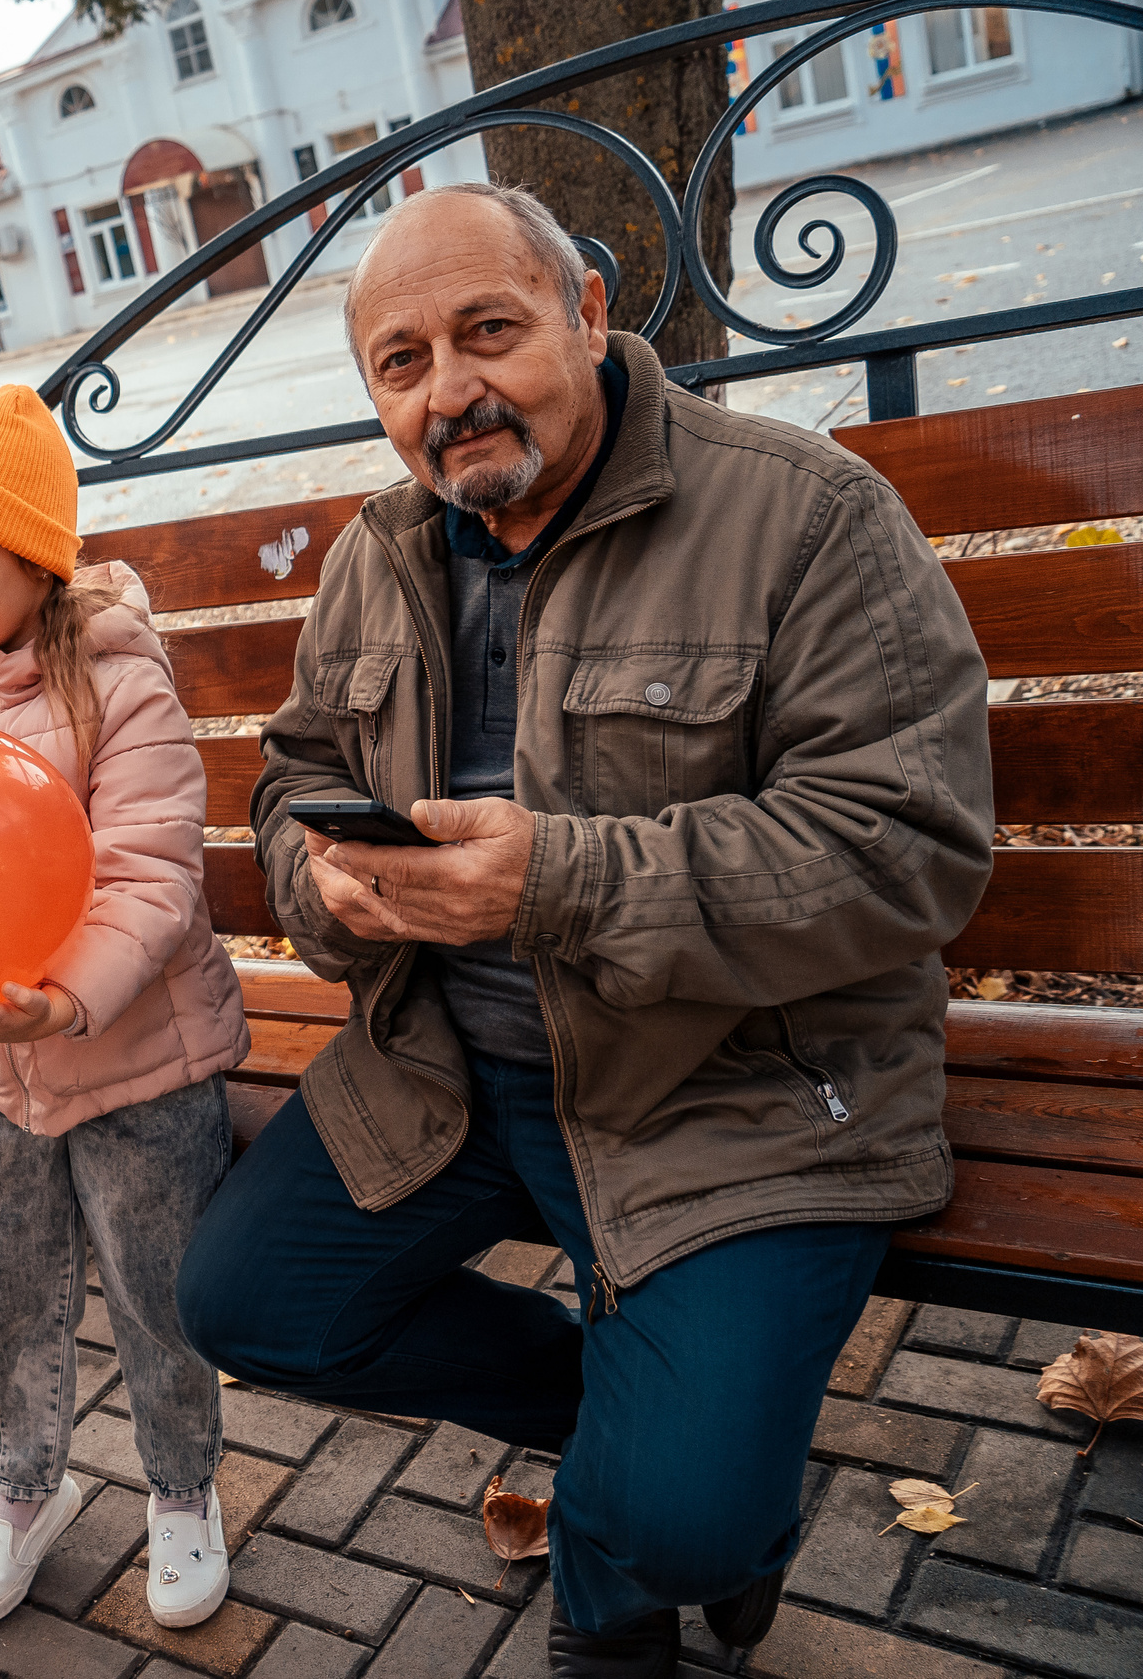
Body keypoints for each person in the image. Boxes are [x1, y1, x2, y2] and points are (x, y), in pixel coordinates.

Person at [174, 184, 992, 1679]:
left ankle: (635, 1564)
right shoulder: (380, 554)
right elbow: (296, 776)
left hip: (733, 1088)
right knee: (245, 1304)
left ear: (589, 315)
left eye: (488, 330)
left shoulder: (803, 512)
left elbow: (905, 846)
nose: (450, 391)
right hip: (447, 1067)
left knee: (682, 1531)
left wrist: (556, 882)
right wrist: (324, 883)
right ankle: (650, 1431)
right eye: (402, 362)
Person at [0, 386, 251, 1632]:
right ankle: (26, 1486)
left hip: (137, 1063)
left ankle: (181, 1488)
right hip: (0, 1075)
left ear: (33, 556)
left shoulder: (119, 692)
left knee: (156, 1294)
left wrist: (66, 999)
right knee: (10, 1293)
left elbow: (148, 875)